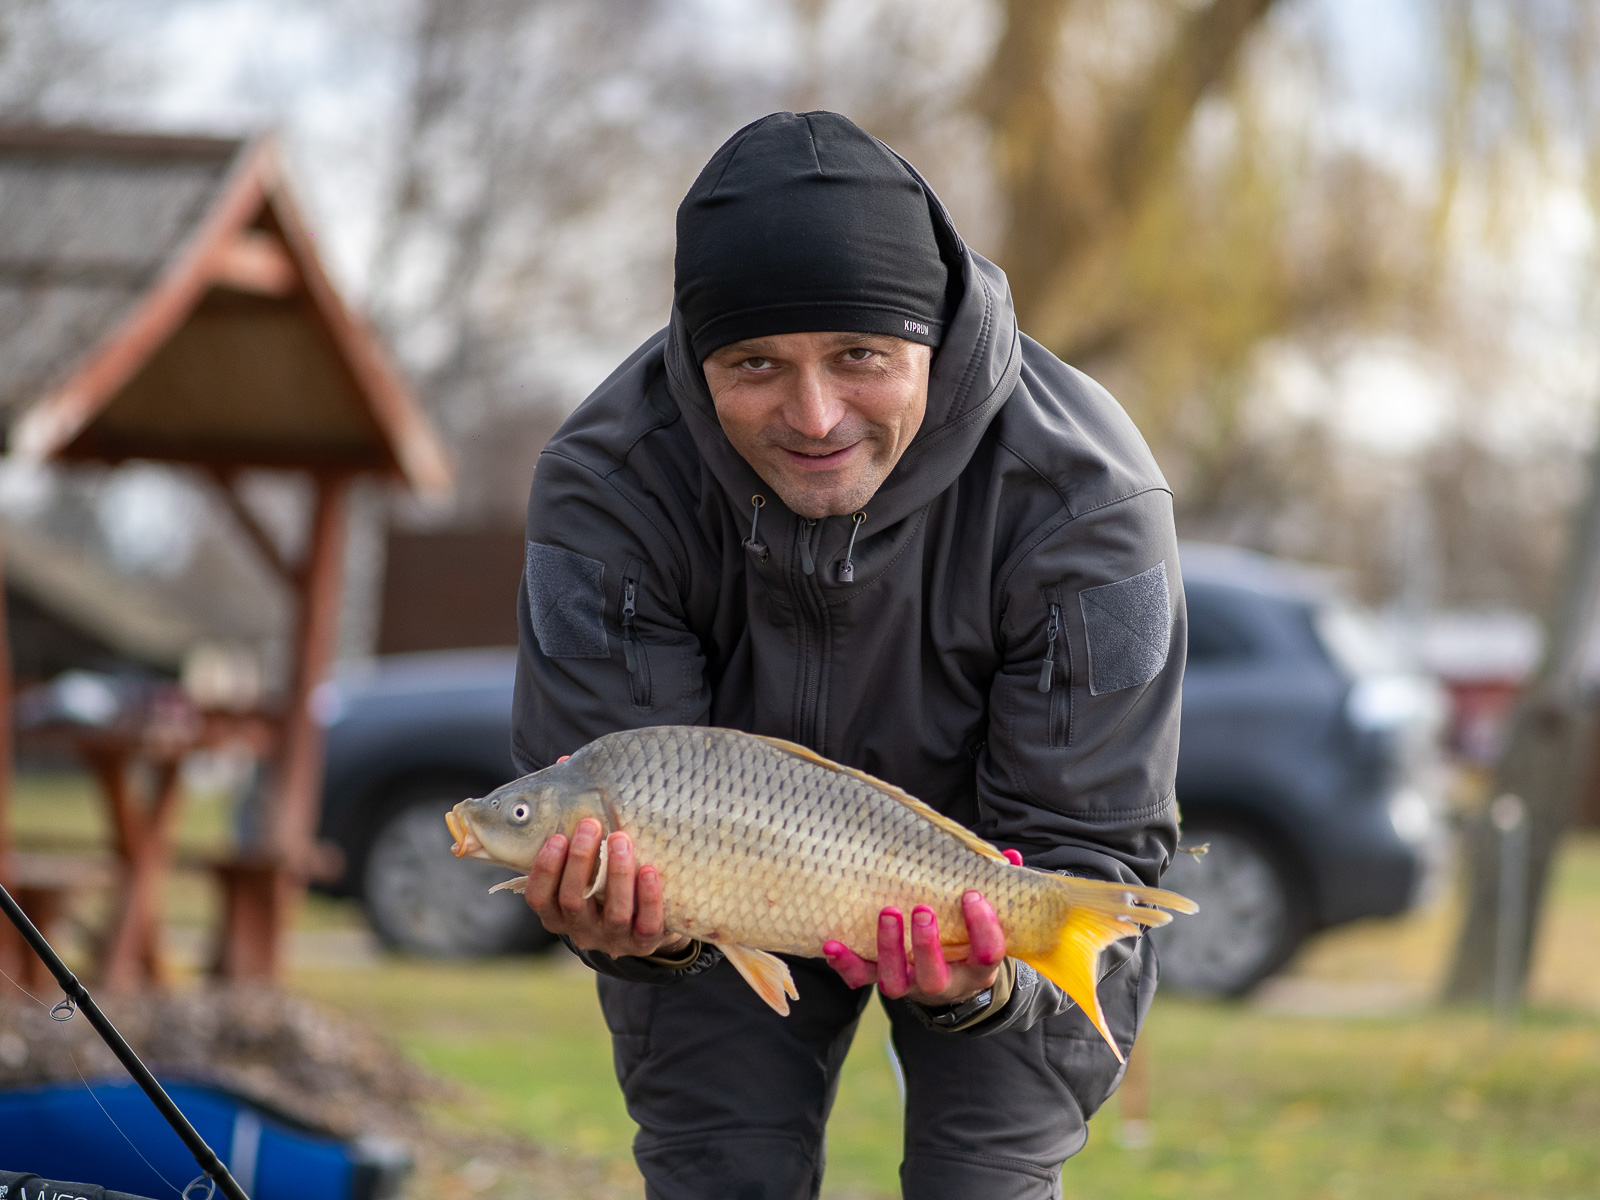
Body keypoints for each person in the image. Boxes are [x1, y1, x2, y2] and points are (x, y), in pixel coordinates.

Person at [511, 111, 1184, 1199]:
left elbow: (1089, 835)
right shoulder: (607, 483)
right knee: (722, 1176)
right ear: (696, 356)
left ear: (932, 342)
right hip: (722, 862)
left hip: (994, 868)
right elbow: (604, 779)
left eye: (860, 356)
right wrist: (632, 928)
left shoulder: (1089, 499)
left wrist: (988, 981)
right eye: (755, 364)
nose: (815, 415)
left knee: (982, 1184)